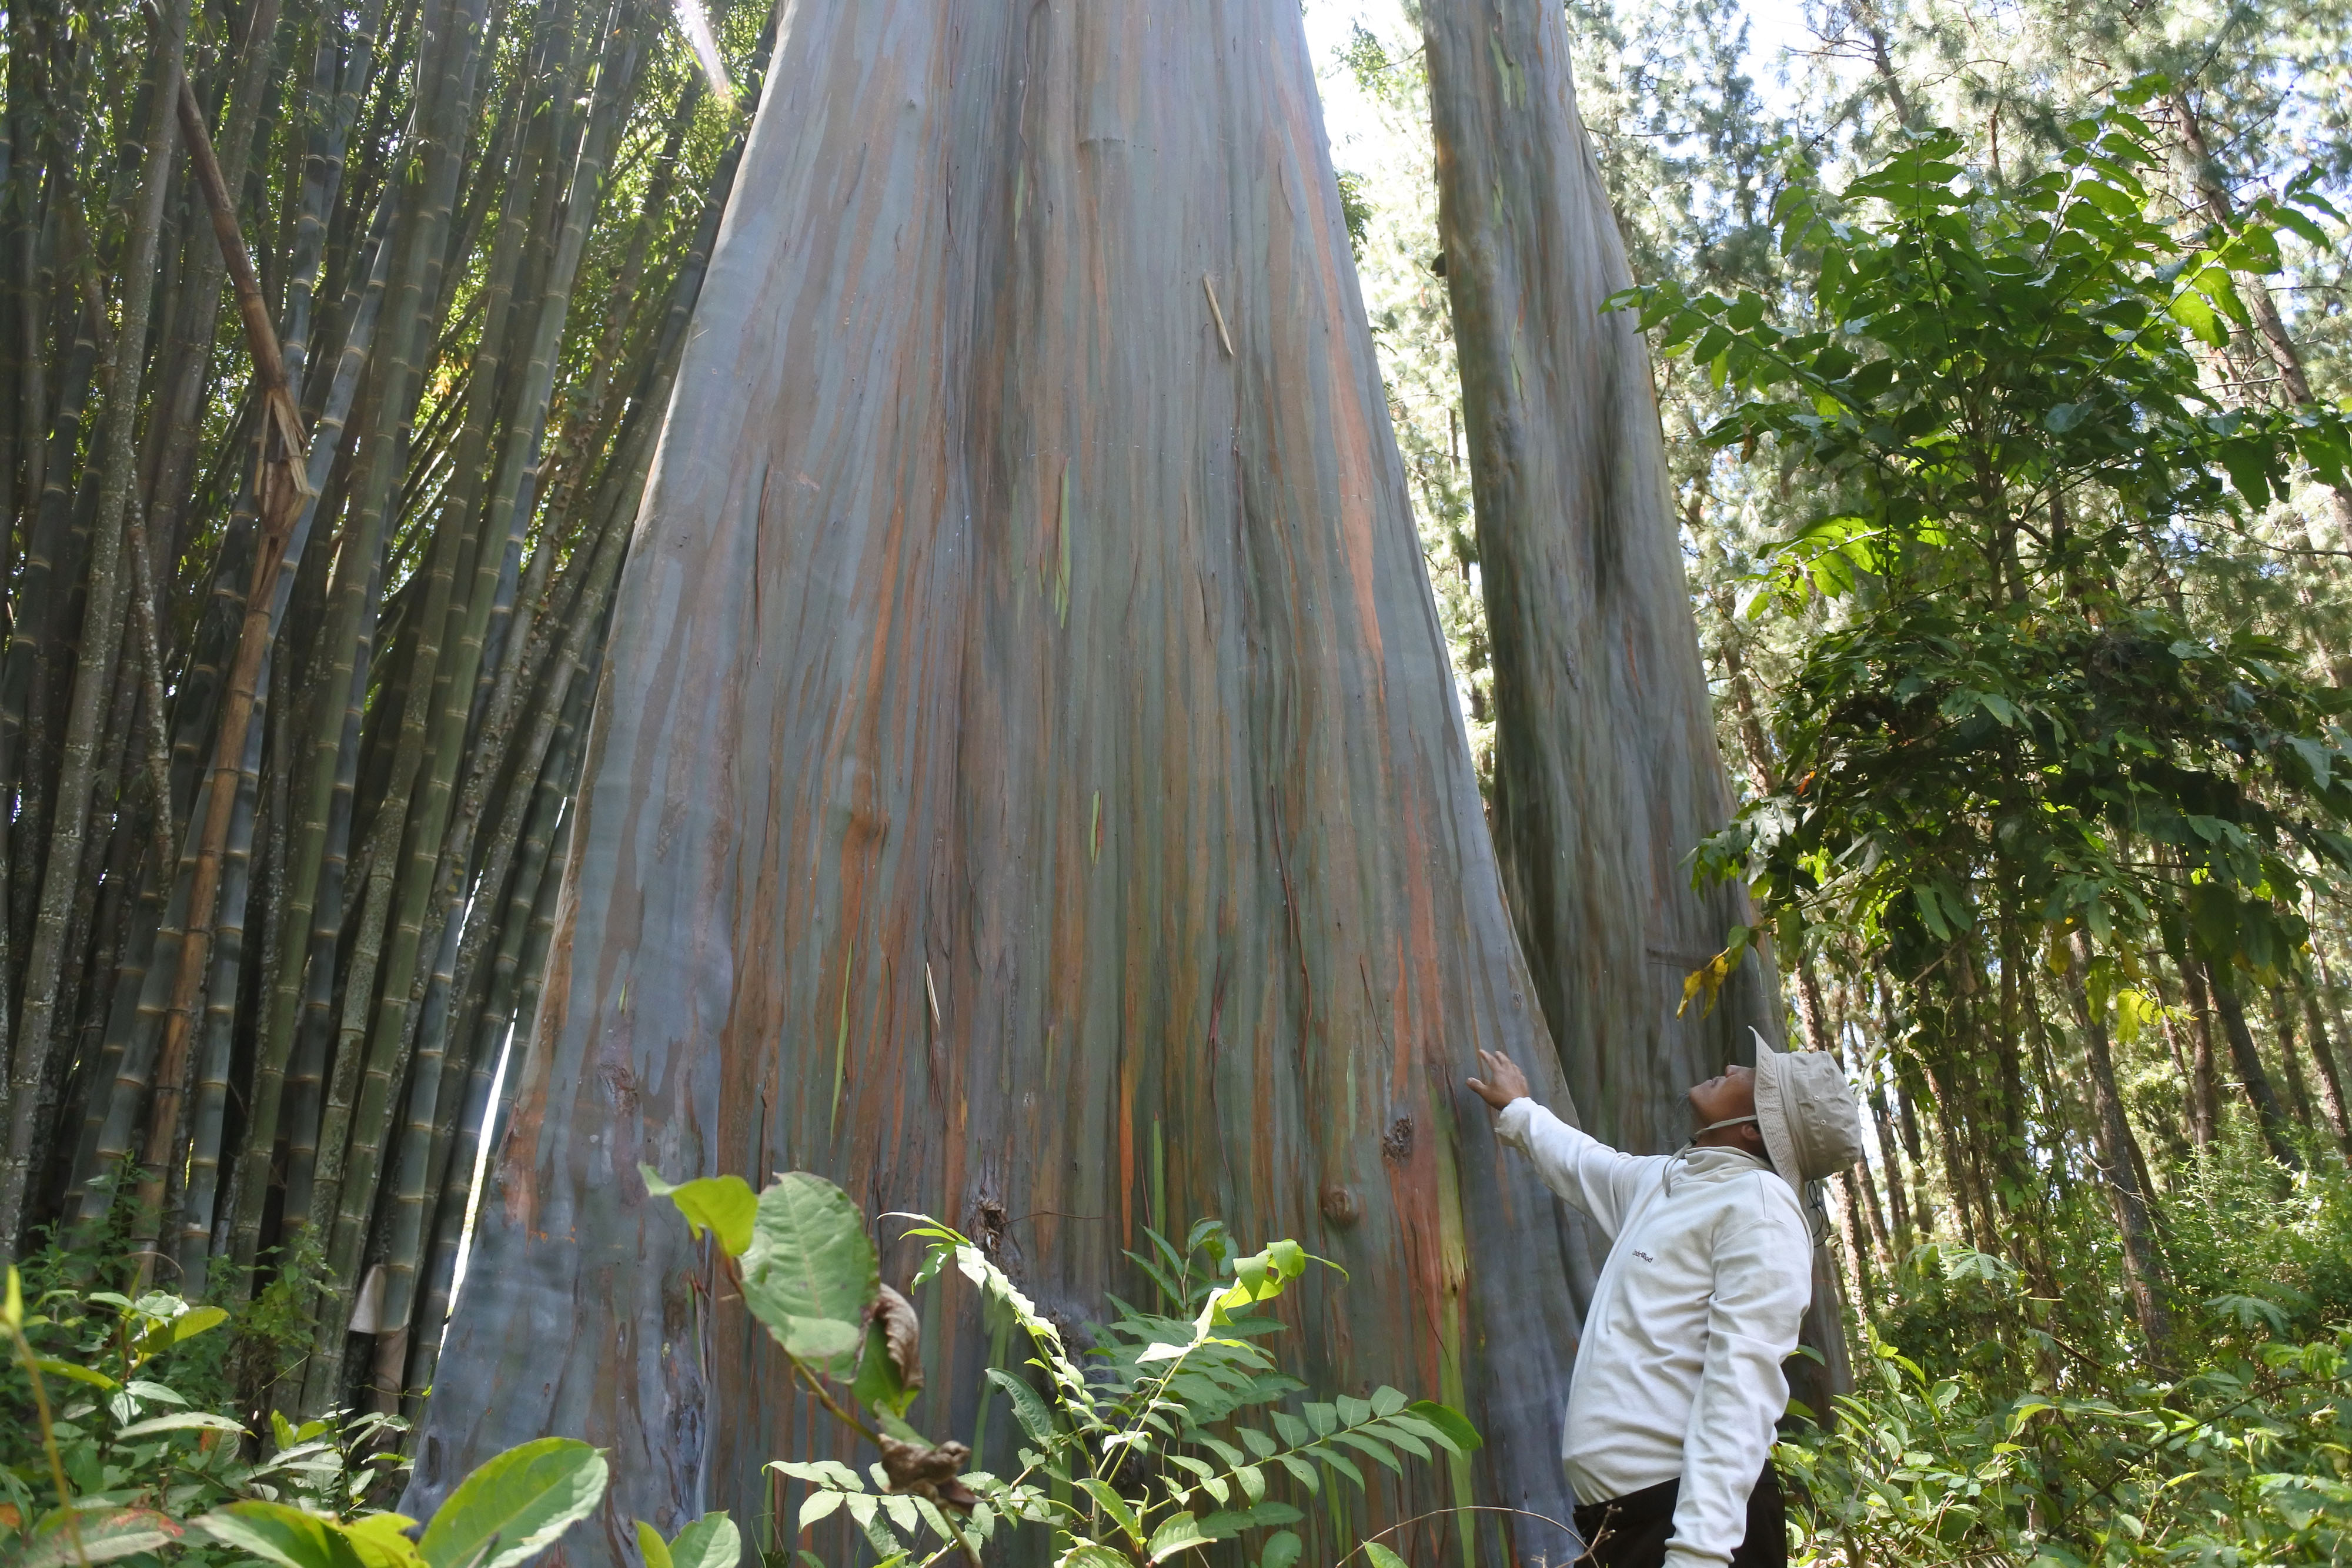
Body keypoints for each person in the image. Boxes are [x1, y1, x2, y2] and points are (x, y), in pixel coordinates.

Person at [1466, 1034, 1864, 1568]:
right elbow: (1587, 1164)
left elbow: (1741, 1386)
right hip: (1629, 1521)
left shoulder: (1761, 1209)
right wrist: (1519, 1108)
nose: (1731, 1065)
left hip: (1695, 1529)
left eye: (1754, 1076)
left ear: (1754, 1127)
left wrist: (1699, 1551)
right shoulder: (1673, 1180)